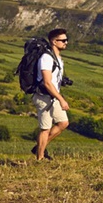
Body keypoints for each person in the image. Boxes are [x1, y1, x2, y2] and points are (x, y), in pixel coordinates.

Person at [32, 28, 71, 161]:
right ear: (54, 42)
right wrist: (61, 99)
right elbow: (47, 83)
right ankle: (40, 158)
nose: (66, 43)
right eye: (63, 40)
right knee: (45, 129)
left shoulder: (58, 58)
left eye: (66, 40)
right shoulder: (46, 58)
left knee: (63, 123)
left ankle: (39, 147)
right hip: (44, 97)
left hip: (53, 97)